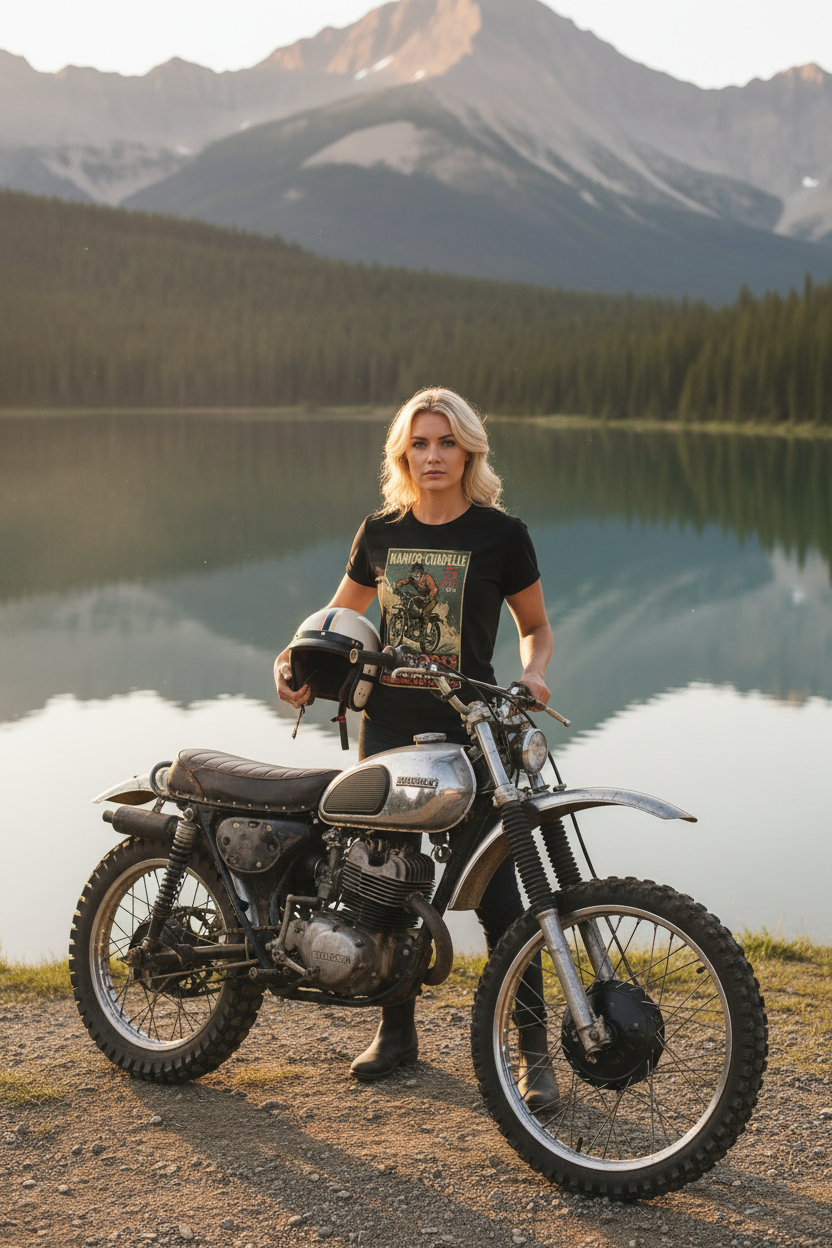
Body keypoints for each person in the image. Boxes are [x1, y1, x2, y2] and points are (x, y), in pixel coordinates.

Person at [274, 387, 556, 1103]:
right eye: (420, 444)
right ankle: (396, 1033)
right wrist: (293, 662)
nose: (433, 456)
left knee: (502, 899)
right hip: (389, 730)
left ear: (469, 451)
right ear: (403, 455)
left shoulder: (502, 535)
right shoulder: (380, 533)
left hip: (473, 730)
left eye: (446, 442)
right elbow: (338, 617)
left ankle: (532, 1048)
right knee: (385, 883)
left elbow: (535, 627)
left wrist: (533, 674)